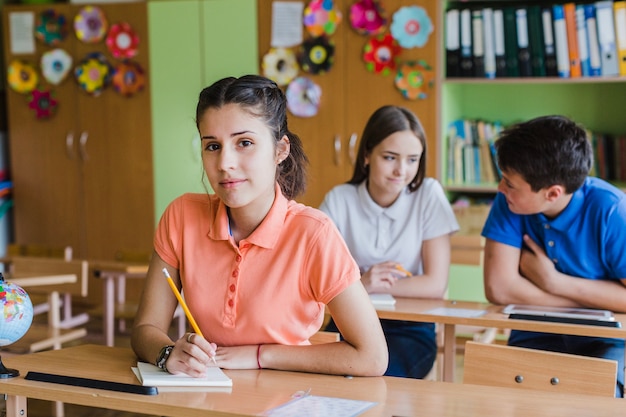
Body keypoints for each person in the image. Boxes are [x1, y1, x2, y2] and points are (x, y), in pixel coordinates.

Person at [131, 75, 388, 377]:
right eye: (212, 146)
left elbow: (372, 357)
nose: (225, 162)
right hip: (207, 395)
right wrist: (167, 353)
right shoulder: (181, 216)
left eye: (245, 143)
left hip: (289, 398)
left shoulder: (313, 234)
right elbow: (145, 329)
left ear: (280, 150)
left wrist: (258, 355)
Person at [481, 115, 626, 397]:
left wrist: (554, 282)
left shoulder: (613, 211)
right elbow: (499, 288)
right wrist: (594, 300)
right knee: (507, 395)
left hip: (605, 339)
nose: (501, 188)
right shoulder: (509, 202)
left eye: (510, 183)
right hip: (535, 332)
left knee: (596, 394)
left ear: (552, 193)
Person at [319, 105, 459, 379]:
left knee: (376, 381)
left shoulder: (428, 195)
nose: (401, 171)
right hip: (349, 323)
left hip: (410, 328)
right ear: (367, 154)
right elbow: (316, 279)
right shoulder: (339, 199)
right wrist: (364, 285)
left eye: (412, 160)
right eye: (390, 157)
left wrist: (357, 285)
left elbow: (434, 284)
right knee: (313, 381)